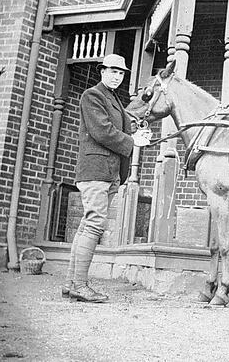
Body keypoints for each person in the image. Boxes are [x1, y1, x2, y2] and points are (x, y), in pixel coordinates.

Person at [63, 54, 150, 302]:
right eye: (112, 71)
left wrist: (138, 133)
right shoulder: (92, 95)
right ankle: (80, 285)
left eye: (121, 73)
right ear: (102, 72)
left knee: (87, 225)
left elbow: (120, 128)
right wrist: (133, 141)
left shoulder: (114, 100)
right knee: (94, 224)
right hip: (96, 170)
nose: (117, 77)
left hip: (109, 172)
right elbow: (102, 131)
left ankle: (71, 284)